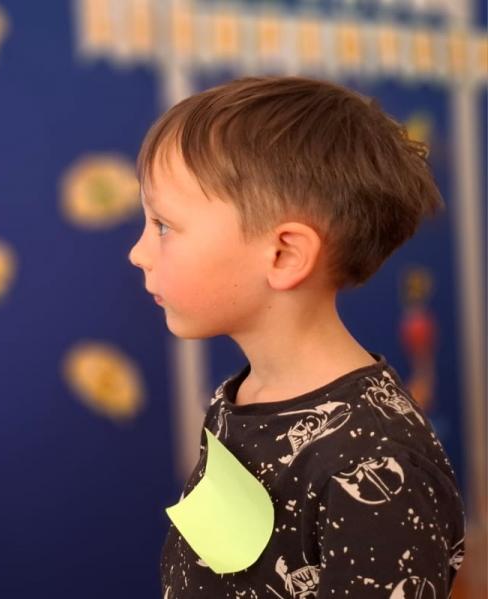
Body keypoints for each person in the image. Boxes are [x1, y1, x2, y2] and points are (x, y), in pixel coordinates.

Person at [128, 76, 465, 597]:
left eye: (163, 226)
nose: (139, 253)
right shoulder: (243, 397)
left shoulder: (376, 461)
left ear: (285, 255)